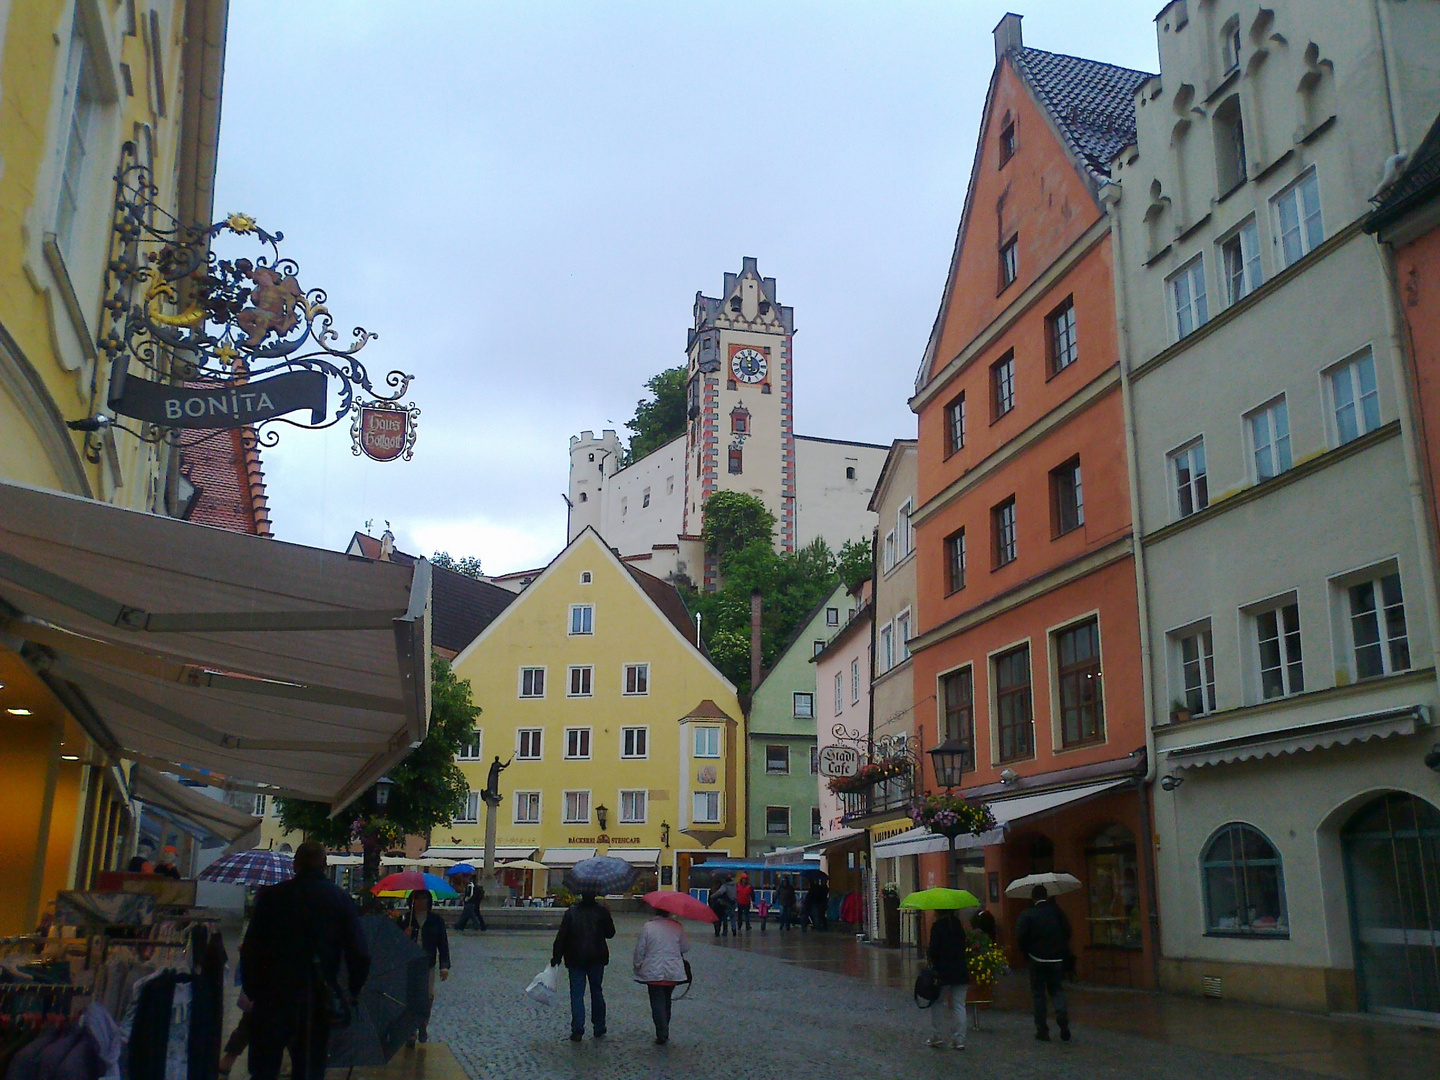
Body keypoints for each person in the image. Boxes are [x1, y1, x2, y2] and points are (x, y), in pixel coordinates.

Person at [241, 840, 370, 1080]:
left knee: (264, 1069)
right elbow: (359, 953)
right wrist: (350, 991)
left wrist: (254, 989)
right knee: (309, 1068)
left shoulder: (273, 897)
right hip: (316, 999)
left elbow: (250, 948)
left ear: (295, 865)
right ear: (325, 864)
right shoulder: (339, 899)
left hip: (272, 995)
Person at [551, 890, 615, 1042]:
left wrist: (556, 956)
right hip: (597, 957)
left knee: (577, 994)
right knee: (596, 991)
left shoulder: (572, 912)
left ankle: (578, 1029)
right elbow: (610, 933)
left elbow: (562, 936)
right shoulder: (601, 911)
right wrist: (607, 915)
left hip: (575, 957)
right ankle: (599, 1026)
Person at [1015, 885, 1072, 1042]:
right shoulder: (1057, 912)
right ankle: (1061, 1015)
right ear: (1047, 896)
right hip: (1056, 959)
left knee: (1038, 994)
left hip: (1036, 959)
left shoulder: (1028, 914)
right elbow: (1068, 932)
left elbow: (1021, 937)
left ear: (1033, 898)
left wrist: (1027, 954)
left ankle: (1042, 1030)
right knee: (1056, 990)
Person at [632, 901, 690, 1045]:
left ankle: (661, 1030)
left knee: (657, 1002)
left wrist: (637, 965)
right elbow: (685, 947)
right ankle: (665, 1027)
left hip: (653, 971)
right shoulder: (677, 927)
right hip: (672, 971)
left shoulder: (648, 927)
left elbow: (640, 949)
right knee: (666, 1000)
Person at [398, 889, 450, 1047]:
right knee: (410, 997)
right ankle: (411, 1031)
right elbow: (394, 943)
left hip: (427, 964)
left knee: (427, 996)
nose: (421, 901)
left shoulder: (436, 921)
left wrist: (444, 966)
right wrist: (403, 936)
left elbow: (442, 944)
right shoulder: (405, 919)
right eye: (417, 898)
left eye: (424, 898)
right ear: (412, 901)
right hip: (409, 964)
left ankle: (423, 1024)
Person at [924, 908, 970, 1050]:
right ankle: (959, 1039)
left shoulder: (937, 927)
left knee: (937, 1003)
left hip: (942, 972)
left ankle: (937, 1036)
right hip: (960, 971)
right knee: (959, 1005)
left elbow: (933, 950)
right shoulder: (958, 926)